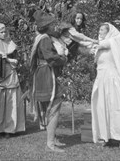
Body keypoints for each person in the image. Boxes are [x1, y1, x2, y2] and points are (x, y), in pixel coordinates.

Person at [30, 10, 68, 152]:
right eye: (52, 25)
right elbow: (51, 58)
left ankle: (53, 138)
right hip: (47, 73)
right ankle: (50, 144)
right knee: (55, 104)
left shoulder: (40, 37)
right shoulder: (45, 39)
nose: (54, 27)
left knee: (49, 106)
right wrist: (63, 58)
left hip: (42, 72)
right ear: (47, 26)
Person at [0, 23, 26, 137]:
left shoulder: (11, 44)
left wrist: (7, 59)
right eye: (1, 32)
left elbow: (17, 61)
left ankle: (9, 128)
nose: (4, 34)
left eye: (5, 32)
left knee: (10, 101)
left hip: (9, 75)